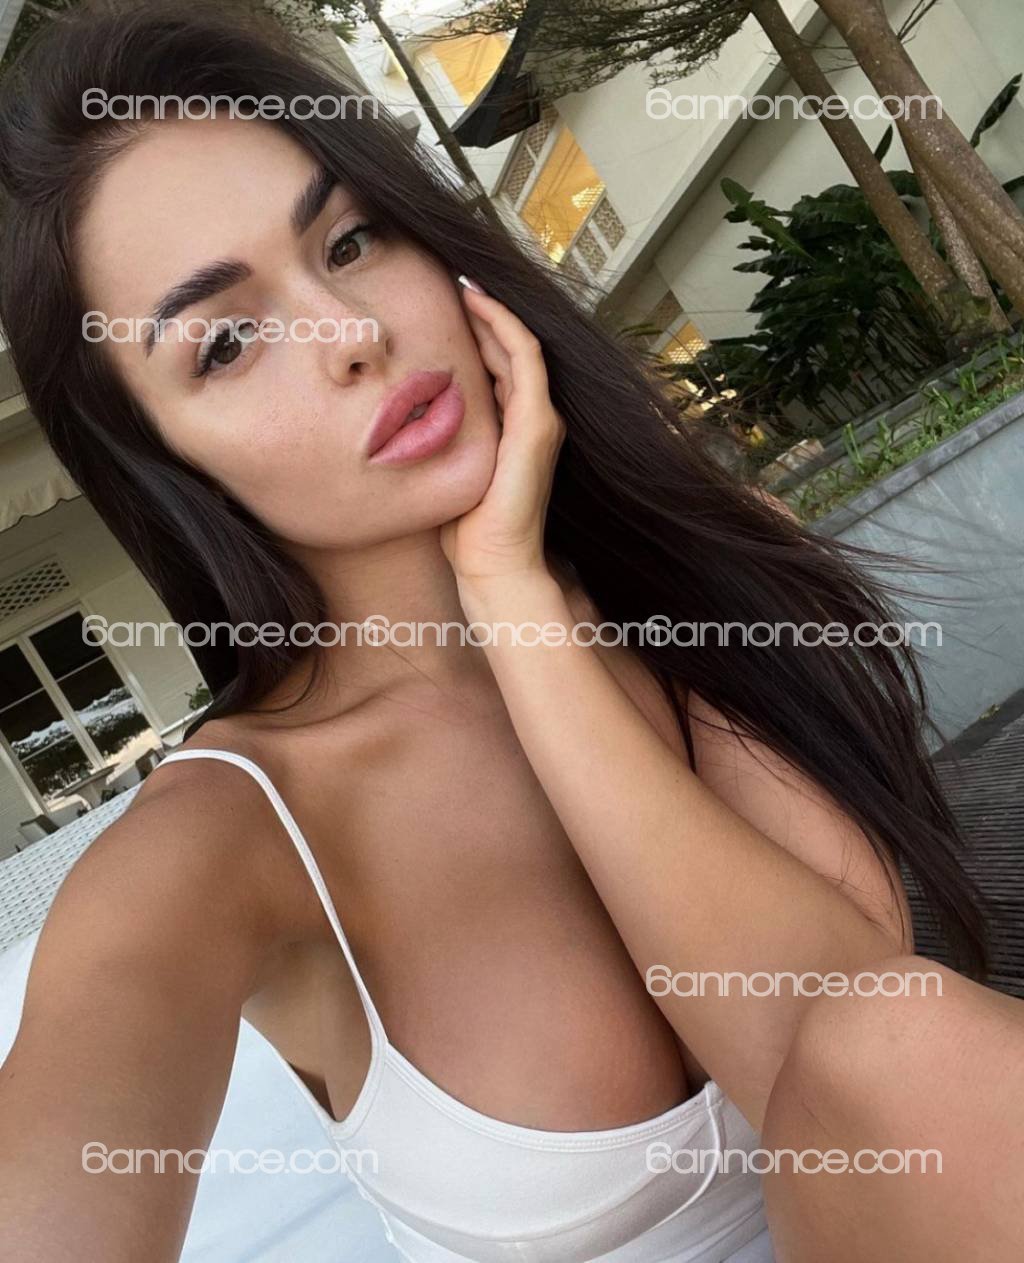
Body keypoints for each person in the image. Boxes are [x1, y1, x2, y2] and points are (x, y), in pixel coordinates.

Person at [0, 4, 1021, 1261]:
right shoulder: (223, 840)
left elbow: (834, 1053)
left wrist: (519, 606)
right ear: (161, 461)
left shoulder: (674, 574)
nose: (353, 335)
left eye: (350, 240)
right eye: (227, 341)